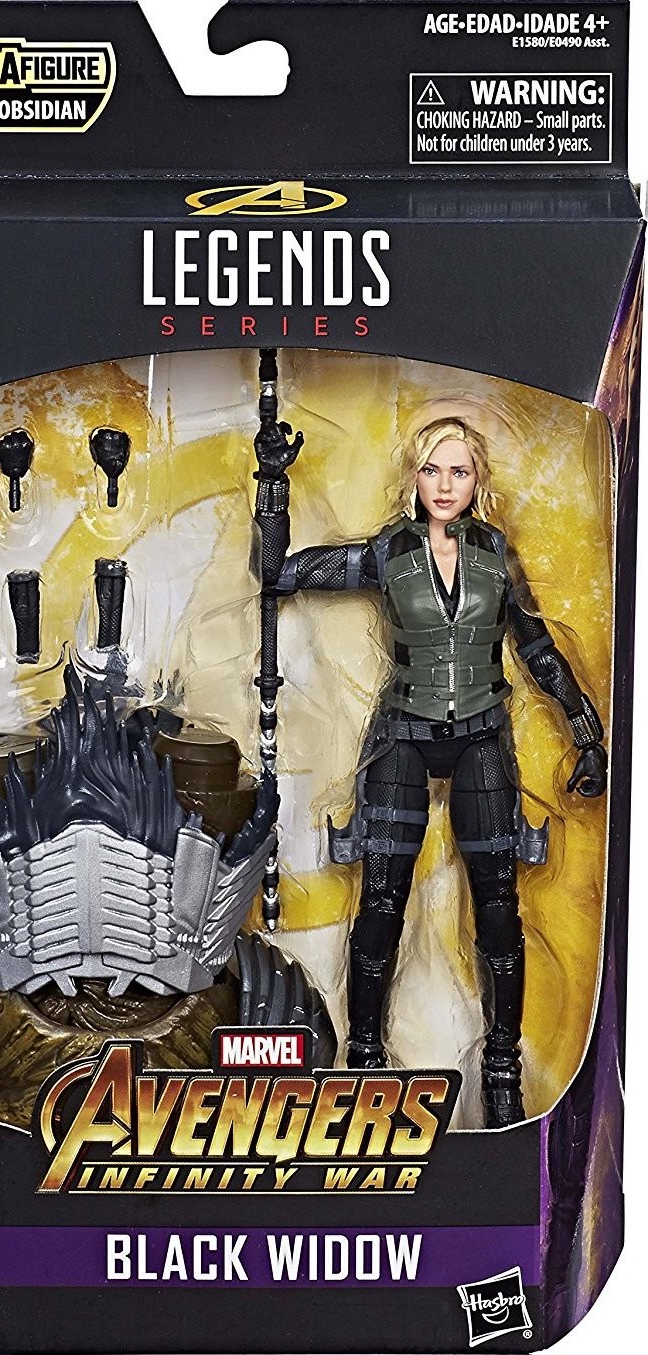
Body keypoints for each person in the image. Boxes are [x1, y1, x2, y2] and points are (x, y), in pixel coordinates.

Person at [254, 413, 608, 1128]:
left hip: (481, 734)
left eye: (459, 472)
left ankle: (502, 1071)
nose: (444, 485)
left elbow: (537, 647)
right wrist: (272, 485)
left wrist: (585, 729)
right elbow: (278, 573)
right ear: (414, 476)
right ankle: (362, 1059)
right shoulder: (388, 553)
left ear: (478, 481)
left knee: (498, 906)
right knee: (381, 902)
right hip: (403, 735)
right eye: (432, 470)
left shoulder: (496, 556)